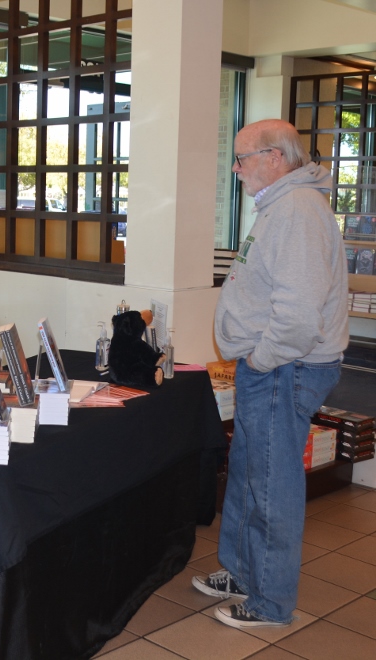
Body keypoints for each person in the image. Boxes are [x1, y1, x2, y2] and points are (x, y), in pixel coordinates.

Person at [193, 119, 349, 629]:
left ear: (275, 158)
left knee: (271, 485)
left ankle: (270, 601)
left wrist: (261, 358)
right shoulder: (281, 207)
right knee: (246, 475)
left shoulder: (299, 212)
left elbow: (299, 313)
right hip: (271, 368)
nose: (236, 171)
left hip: (284, 367)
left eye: (242, 159)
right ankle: (242, 573)